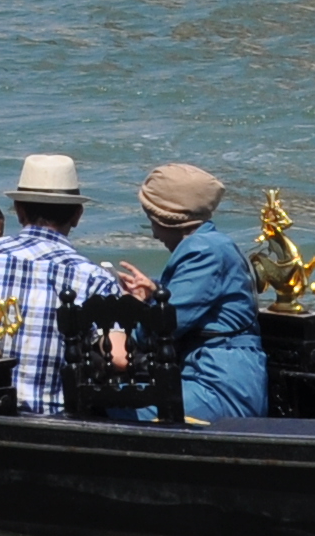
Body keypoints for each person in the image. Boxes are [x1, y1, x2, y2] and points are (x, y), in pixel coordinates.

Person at [109, 163, 270, 422]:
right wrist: (153, 294)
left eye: (152, 220)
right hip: (211, 374)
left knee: (115, 407)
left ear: (166, 219)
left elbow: (164, 326)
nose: (153, 233)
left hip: (219, 384)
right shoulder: (209, 245)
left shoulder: (204, 251)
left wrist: (130, 316)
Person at [0, 154, 106, 416]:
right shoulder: (95, 277)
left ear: (19, 210)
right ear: (77, 215)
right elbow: (114, 356)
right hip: (55, 418)